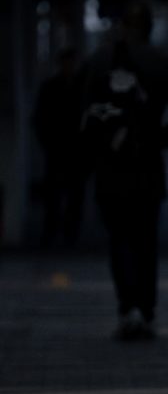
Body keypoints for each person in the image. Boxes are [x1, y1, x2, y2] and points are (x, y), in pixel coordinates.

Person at [80, 0, 168, 340]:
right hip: (146, 167)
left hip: (109, 168)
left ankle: (126, 309)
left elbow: (83, 114)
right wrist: (158, 140)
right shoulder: (161, 63)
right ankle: (146, 311)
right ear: (149, 28)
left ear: (122, 26)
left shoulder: (98, 61)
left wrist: (97, 149)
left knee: (118, 239)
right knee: (145, 241)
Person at [33, 46, 88, 247]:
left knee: (75, 194)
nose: (69, 67)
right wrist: (47, 141)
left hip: (76, 149)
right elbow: (40, 117)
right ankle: (52, 230)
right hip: (57, 147)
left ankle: (70, 232)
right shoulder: (51, 87)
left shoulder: (82, 88)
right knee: (54, 193)